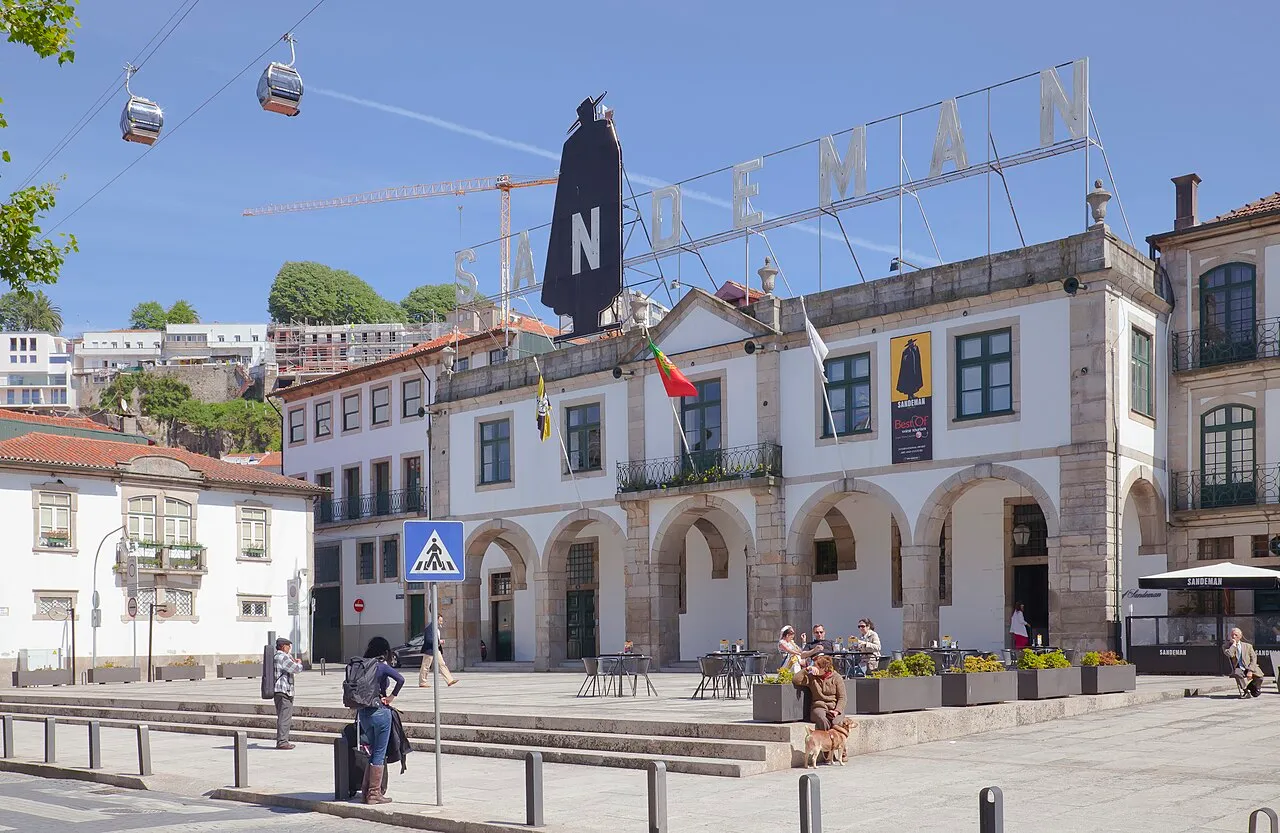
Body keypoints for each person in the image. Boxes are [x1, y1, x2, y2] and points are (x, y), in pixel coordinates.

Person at [358, 636, 405, 804]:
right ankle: (374, 794)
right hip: (379, 712)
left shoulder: (361, 665)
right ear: (385, 652)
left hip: (363, 713)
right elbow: (401, 679)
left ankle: (365, 792)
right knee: (379, 752)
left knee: (372, 751)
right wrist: (391, 697)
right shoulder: (381, 666)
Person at [793, 654, 847, 729]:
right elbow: (796, 680)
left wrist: (837, 710)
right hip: (819, 707)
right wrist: (807, 670)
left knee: (836, 722)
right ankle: (825, 738)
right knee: (822, 720)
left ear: (824, 668)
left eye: (816, 666)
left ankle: (835, 739)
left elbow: (842, 697)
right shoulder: (812, 677)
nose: (814, 667)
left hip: (833, 707)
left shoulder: (836, 678)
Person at [272, 636, 303, 750]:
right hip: (284, 690)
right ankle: (282, 742)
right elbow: (296, 669)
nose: (289, 648)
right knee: (284, 717)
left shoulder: (276, 657)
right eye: (288, 646)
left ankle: (282, 740)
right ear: (282, 646)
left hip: (278, 691)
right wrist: (299, 663)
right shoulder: (282, 657)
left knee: (282, 716)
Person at [419, 614, 459, 688]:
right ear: (436, 620)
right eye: (440, 621)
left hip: (436, 649)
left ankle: (449, 680)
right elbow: (428, 640)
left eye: (442, 621)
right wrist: (439, 642)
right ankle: (422, 682)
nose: (441, 622)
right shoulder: (429, 629)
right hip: (430, 650)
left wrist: (438, 642)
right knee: (426, 666)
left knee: (442, 664)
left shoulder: (436, 629)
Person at [1225, 627, 1264, 699]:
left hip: (1249, 666)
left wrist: (1250, 670)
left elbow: (1254, 658)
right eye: (1232, 635)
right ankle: (1246, 691)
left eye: (1236, 635)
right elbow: (1229, 654)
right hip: (1239, 667)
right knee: (1237, 673)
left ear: (1240, 636)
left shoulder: (1248, 646)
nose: (1234, 636)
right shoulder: (1227, 646)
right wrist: (1233, 645)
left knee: (1260, 678)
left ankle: (1251, 687)